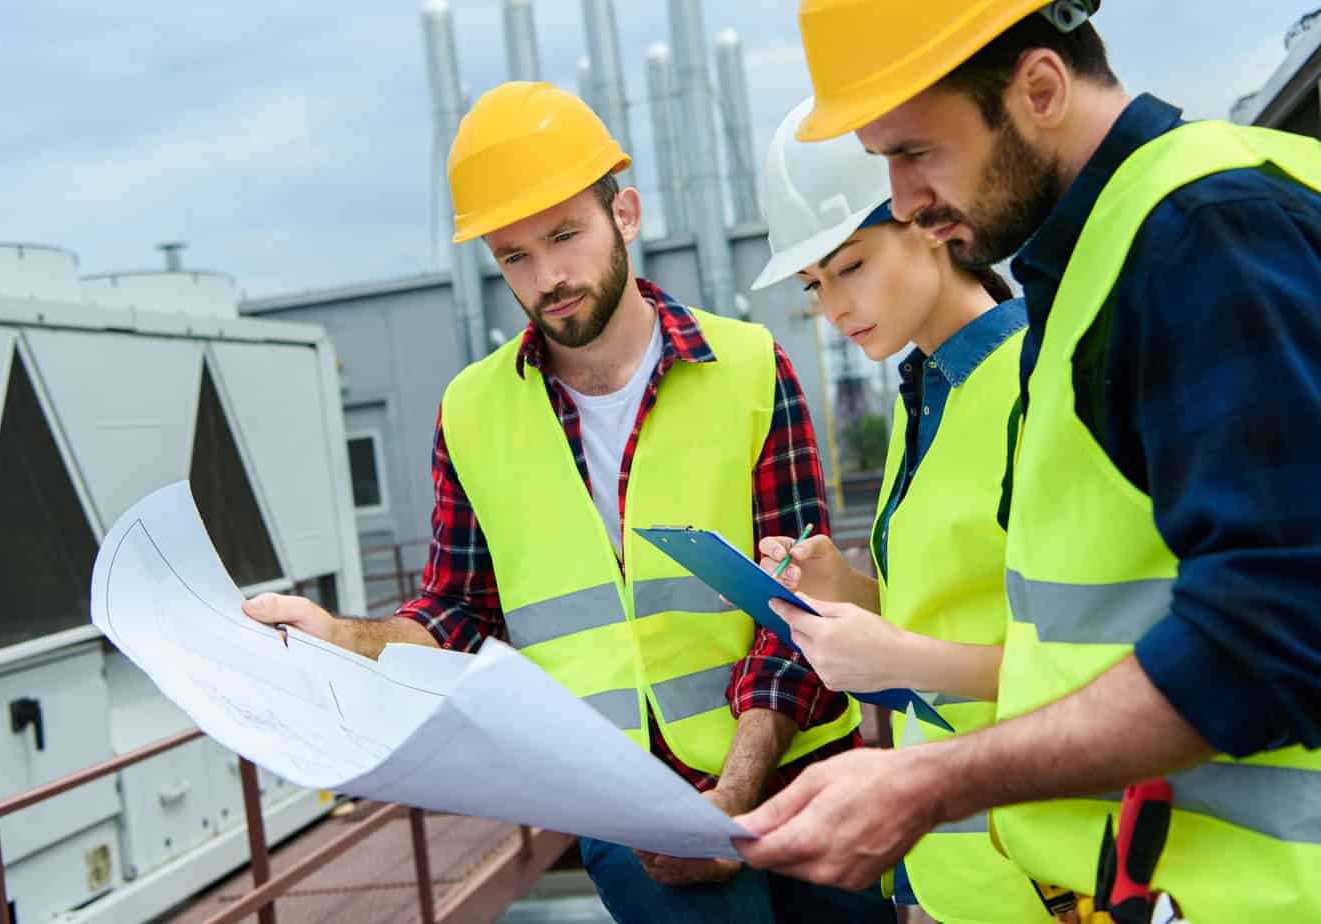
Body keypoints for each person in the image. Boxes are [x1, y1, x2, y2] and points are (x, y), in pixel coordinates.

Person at [243, 81, 893, 924]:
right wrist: (339, 637)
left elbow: (798, 606)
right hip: (625, 811)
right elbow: (458, 609)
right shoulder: (471, 412)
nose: (547, 276)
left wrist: (733, 791)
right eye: (514, 256)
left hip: (801, 774)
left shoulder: (749, 367)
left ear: (624, 214)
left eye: (563, 235)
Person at [734, 3, 1321, 921]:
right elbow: (1090, 626)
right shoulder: (1103, 263)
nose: (903, 198)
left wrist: (933, 780)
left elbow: (1273, 632)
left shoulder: (1208, 231)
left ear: (1040, 89)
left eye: (914, 152)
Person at [748, 97, 1054, 924]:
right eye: (816, 285)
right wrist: (848, 591)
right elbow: (950, 608)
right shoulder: (925, 394)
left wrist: (893, 656)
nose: (834, 309)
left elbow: (1091, 664)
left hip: (1046, 875)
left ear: (928, 220)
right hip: (954, 869)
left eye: (849, 266)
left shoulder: (1041, 383)